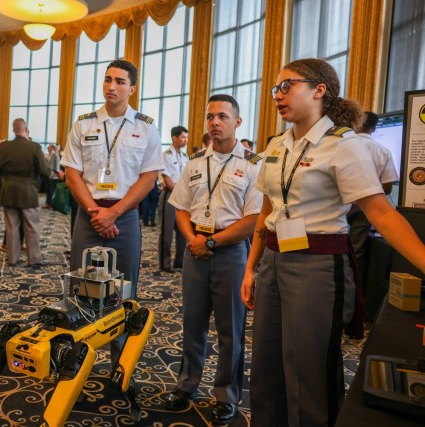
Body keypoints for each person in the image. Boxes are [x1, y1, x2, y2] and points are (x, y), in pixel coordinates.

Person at [241, 58, 425, 427]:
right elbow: (266, 211)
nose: (278, 95)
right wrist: (251, 269)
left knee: (307, 370)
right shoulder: (277, 144)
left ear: (319, 90)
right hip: (273, 261)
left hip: (315, 266)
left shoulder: (344, 145)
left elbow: (382, 214)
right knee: (266, 366)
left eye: (287, 85)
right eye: (276, 88)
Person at [165, 95, 262, 424]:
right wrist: (193, 239)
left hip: (231, 254)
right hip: (195, 251)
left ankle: (226, 395)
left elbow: (253, 220)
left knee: (230, 330)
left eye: (222, 116)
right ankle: (187, 384)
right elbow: (180, 207)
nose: (215, 123)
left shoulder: (252, 164)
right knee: (192, 324)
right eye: (210, 117)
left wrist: (212, 241)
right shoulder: (194, 163)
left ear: (238, 122)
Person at [62, 59, 163, 368]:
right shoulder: (84, 123)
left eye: (119, 81)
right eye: (107, 79)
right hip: (88, 216)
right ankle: (77, 361)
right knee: (81, 287)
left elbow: (149, 178)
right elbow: (71, 174)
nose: (111, 86)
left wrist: (114, 213)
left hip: (125, 218)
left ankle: (121, 363)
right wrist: (96, 212)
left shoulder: (145, 127)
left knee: (124, 291)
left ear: (132, 88)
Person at [347, 111, 398, 293]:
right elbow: (387, 189)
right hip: (364, 208)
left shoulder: (341, 146)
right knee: (356, 251)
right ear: (374, 128)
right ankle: (353, 295)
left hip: (339, 204)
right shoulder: (383, 151)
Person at [0, 118, 50, 267]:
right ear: (27, 130)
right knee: (31, 226)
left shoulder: (3, 146)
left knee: (11, 226)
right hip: (28, 192)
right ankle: (34, 259)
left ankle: (12, 259)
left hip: (8, 190)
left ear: (13, 130)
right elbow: (44, 171)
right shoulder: (34, 147)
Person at [159, 125, 189, 273]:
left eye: (186, 137)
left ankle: (179, 261)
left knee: (183, 232)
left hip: (183, 198)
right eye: (183, 137)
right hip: (170, 197)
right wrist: (182, 190)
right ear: (174, 138)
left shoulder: (185, 157)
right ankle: (165, 264)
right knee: (167, 233)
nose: (186, 140)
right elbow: (168, 181)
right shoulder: (166, 155)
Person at [44, 144, 61, 208]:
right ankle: (48, 203)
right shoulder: (49, 155)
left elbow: (57, 167)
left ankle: (51, 204)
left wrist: (54, 175)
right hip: (48, 175)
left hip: (53, 177)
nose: (47, 148)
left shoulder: (56, 155)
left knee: (52, 191)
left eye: (48, 147)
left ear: (52, 148)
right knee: (48, 190)